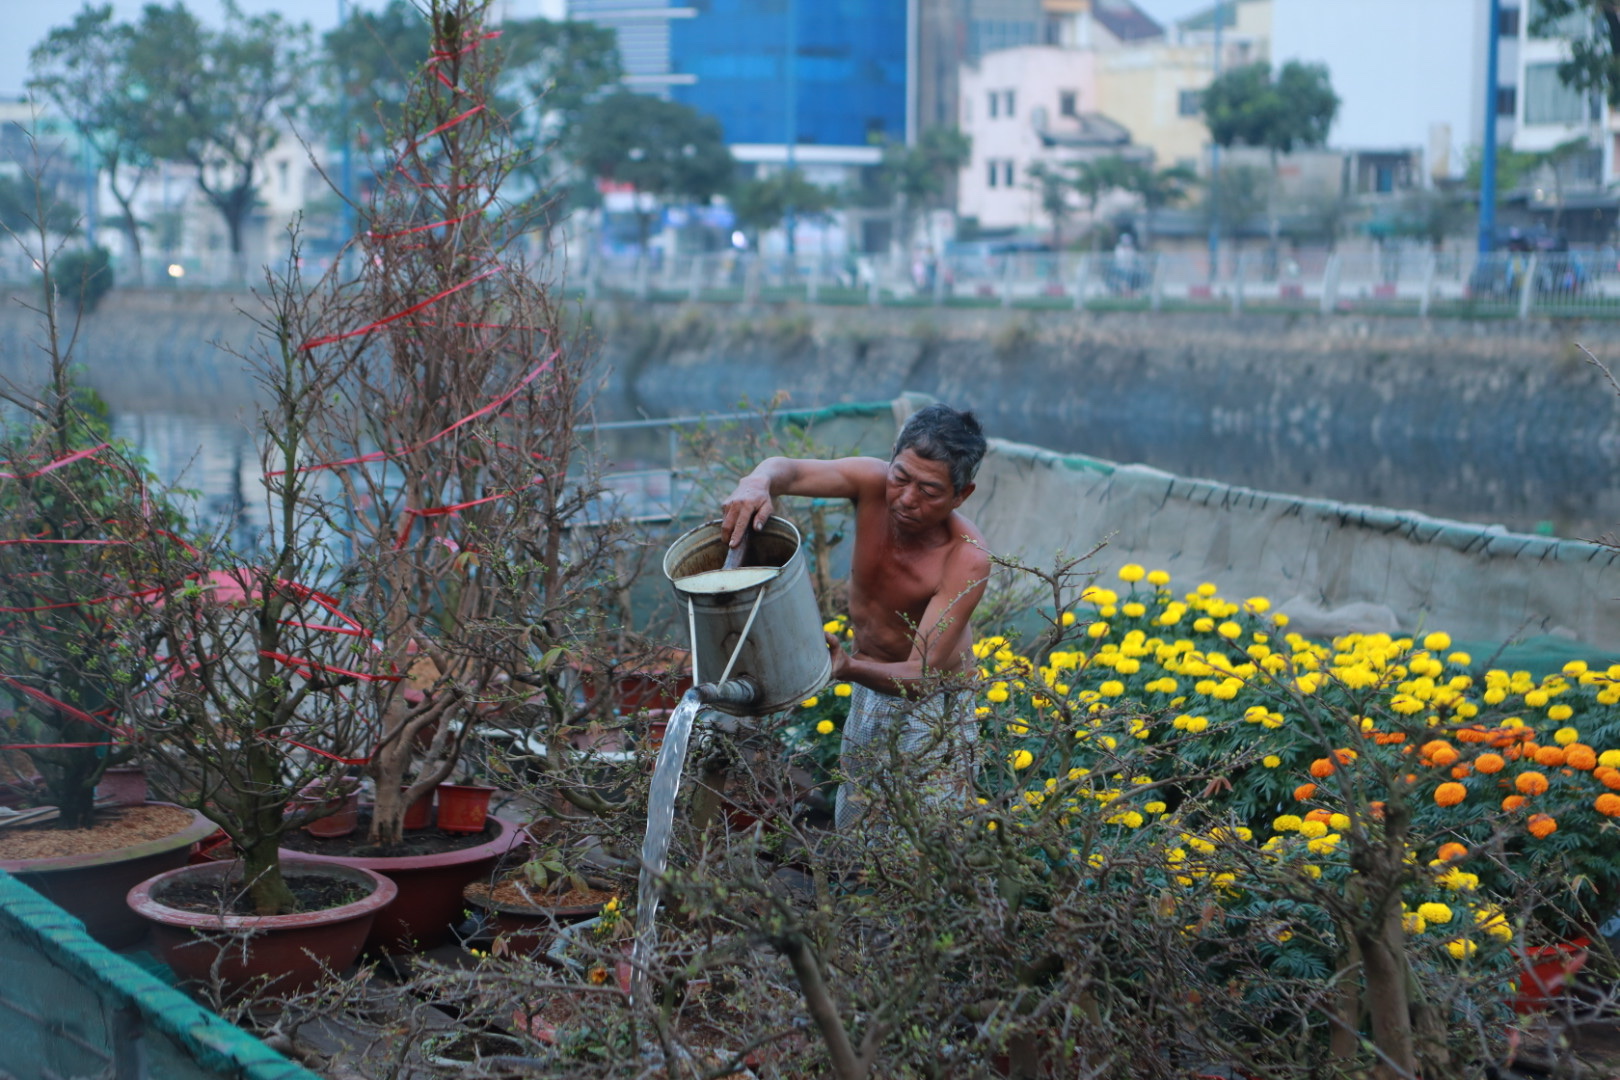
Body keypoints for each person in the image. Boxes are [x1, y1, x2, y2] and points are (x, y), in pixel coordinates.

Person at [720, 404, 991, 830]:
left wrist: (846, 667)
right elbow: (787, 471)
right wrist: (757, 482)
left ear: (962, 494)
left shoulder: (966, 557)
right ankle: (857, 890)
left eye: (929, 491)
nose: (906, 498)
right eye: (900, 477)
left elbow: (923, 676)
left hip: (934, 704)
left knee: (931, 834)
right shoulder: (870, 483)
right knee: (860, 813)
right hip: (868, 681)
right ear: (891, 458)